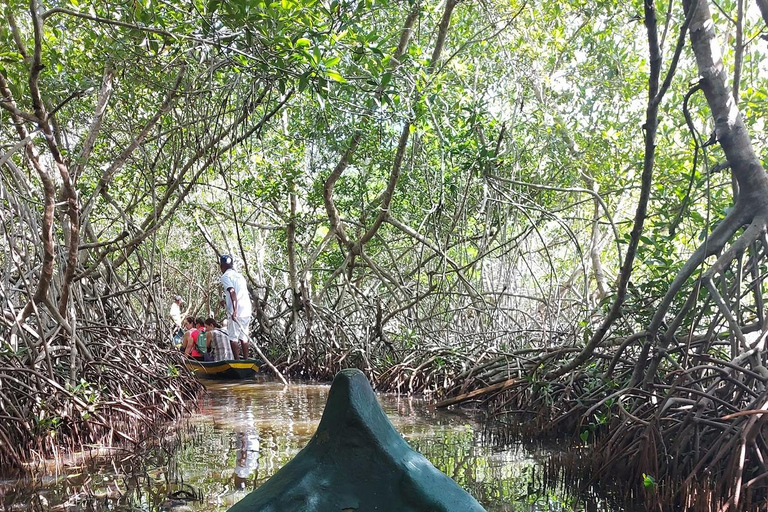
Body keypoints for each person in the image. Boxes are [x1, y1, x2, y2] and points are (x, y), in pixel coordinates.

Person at [219, 254, 252, 360]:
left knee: (233, 337)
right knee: (244, 336)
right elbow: (236, 292)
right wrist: (226, 302)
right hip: (246, 310)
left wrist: (234, 311)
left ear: (222, 266)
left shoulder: (225, 276)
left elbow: (232, 292)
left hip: (236, 310)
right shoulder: (239, 276)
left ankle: (237, 361)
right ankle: (246, 360)